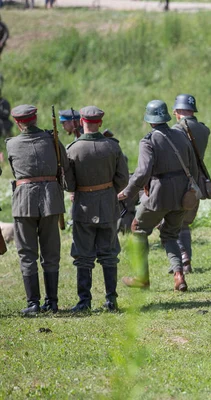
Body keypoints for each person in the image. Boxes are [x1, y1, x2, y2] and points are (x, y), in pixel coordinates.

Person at [118, 100, 198, 292]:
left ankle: (141, 277)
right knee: (170, 234)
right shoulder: (181, 135)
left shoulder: (148, 141)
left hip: (158, 195)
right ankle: (179, 275)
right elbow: (193, 165)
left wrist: (128, 191)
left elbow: (143, 171)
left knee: (138, 229)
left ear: (149, 119)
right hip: (182, 194)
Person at [64, 106, 129, 312]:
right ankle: (111, 300)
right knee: (109, 253)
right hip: (108, 204)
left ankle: (84, 302)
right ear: (100, 123)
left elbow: (69, 185)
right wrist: (108, 191)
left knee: (83, 255)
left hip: (83, 206)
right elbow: (123, 179)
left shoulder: (72, 149)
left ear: (81, 122)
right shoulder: (112, 146)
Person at [6, 105, 68, 315]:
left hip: (24, 201)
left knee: (27, 254)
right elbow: (65, 164)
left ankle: (33, 303)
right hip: (51, 200)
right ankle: (52, 302)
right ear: (35, 118)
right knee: (51, 253)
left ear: (17, 122)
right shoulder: (52, 139)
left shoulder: (12, 144)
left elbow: (15, 171)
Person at [170, 93, 210, 274]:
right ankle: (185, 262)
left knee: (173, 222)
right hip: (197, 182)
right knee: (185, 223)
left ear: (178, 111)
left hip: (179, 182)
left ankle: (181, 260)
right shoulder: (204, 129)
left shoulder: (176, 130)